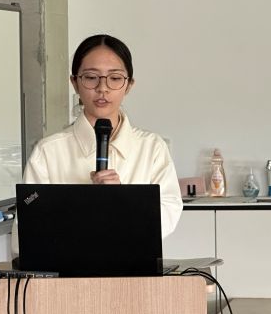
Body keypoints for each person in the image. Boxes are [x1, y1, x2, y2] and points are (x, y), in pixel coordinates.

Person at [12, 34, 182, 253]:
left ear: (129, 85)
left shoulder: (152, 148)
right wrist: (83, 209)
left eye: (115, 78)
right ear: (75, 82)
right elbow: (27, 226)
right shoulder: (48, 151)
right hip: (66, 269)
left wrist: (122, 201)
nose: (103, 88)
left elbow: (169, 213)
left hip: (134, 268)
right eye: (91, 77)